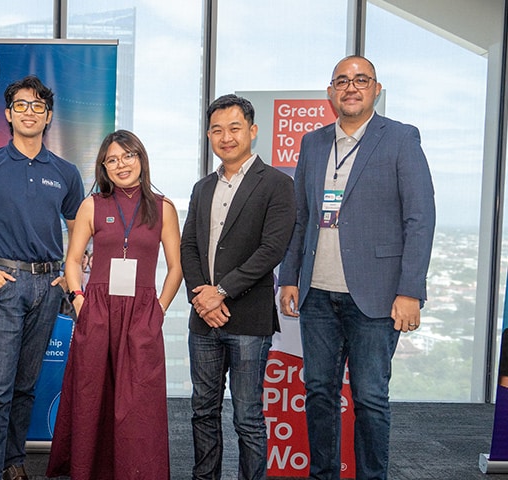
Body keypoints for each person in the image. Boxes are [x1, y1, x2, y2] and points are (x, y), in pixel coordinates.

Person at [278, 55, 436, 480]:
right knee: (319, 394)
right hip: (317, 296)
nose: (351, 87)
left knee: (369, 398)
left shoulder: (401, 138)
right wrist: (289, 277)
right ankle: (323, 475)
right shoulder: (312, 143)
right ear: (330, 92)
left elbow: (419, 218)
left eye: (360, 80)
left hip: (377, 297)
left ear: (376, 89)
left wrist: (410, 291)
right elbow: (301, 216)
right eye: (342, 81)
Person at [0, 75, 84, 480]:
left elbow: (79, 228)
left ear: (48, 117)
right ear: (8, 114)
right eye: (21, 105)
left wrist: (66, 277)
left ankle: (13, 460)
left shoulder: (65, 171)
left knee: (25, 386)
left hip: (49, 286)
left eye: (37, 106)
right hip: (4, 283)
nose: (29, 112)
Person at [46, 130, 182, 479]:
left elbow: (177, 267)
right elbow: (73, 260)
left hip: (141, 314)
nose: (121, 164)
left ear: (141, 158)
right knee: (93, 396)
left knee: (139, 402)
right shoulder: (92, 205)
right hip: (98, 311)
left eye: (128, 156)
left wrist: (160, 309)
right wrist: (79, 300)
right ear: (103, 167)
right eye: (112, 159)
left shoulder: (163, 208)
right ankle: (90, 470)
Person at [181, 94, 296, 480]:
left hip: (248, 319)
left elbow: (271, 249)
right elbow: (189, 247)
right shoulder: (201, 188)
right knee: (202, 411)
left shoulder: (278, 184)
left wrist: (221, 291)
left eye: (234, 128)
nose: (225, 137)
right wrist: (202, 296)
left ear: (253, 131)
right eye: (217, 130)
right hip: (204, 320)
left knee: (247, 415)